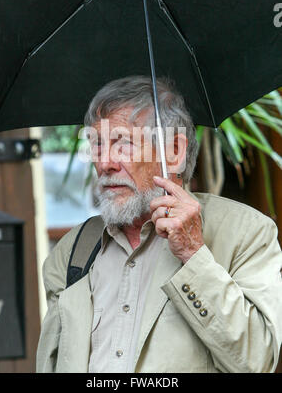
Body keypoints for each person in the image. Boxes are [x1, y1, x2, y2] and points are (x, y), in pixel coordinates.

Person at [36, 75, 282, 373]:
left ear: (174, 151)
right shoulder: (72, 252)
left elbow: (256, 361)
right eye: (97, 145)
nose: (105, 163)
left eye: (122, 143)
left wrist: (194, 255)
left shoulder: (246, 234)